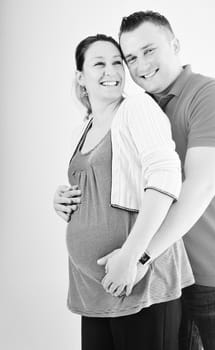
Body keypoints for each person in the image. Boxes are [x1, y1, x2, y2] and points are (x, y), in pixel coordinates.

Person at [96, 11, 215, 350]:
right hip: (166, 279)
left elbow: (199, 189)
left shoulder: (211, 95)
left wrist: (139, 256)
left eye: (149, 50)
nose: (141, 65)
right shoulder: (137, 110)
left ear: (174, 45)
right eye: (131, 58)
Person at [53, 33, 194, 350]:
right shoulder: (85, 127)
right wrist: (60, 199)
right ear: (81, 76)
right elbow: (97, 188)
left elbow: (166, 176)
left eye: (118, 62)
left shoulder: (137, 108)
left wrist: (132, 256)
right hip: (93, 289)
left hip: (138, 279)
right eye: (99, 63)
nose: (112, 71)